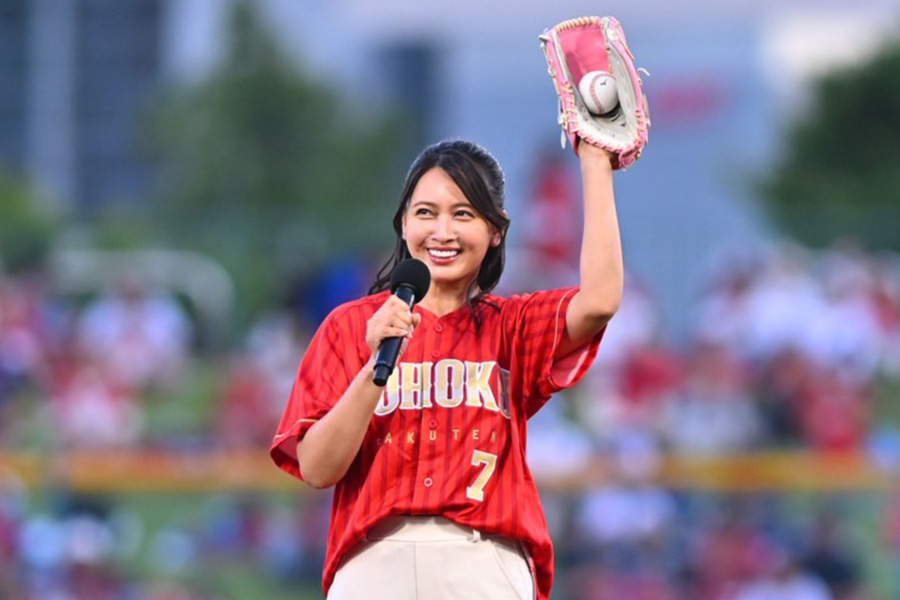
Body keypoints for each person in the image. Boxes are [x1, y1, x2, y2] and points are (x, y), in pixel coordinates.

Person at [270, 138, 624, 600]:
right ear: (402, 223)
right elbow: (317, 468)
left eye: (463, 214)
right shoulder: (352, 326)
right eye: (425, 213)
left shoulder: (511, 326)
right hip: (376, 559)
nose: (442, 231)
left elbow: (598, 303)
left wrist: (595, 161)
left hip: (482, 558)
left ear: (496, 230)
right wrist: (375, 364)